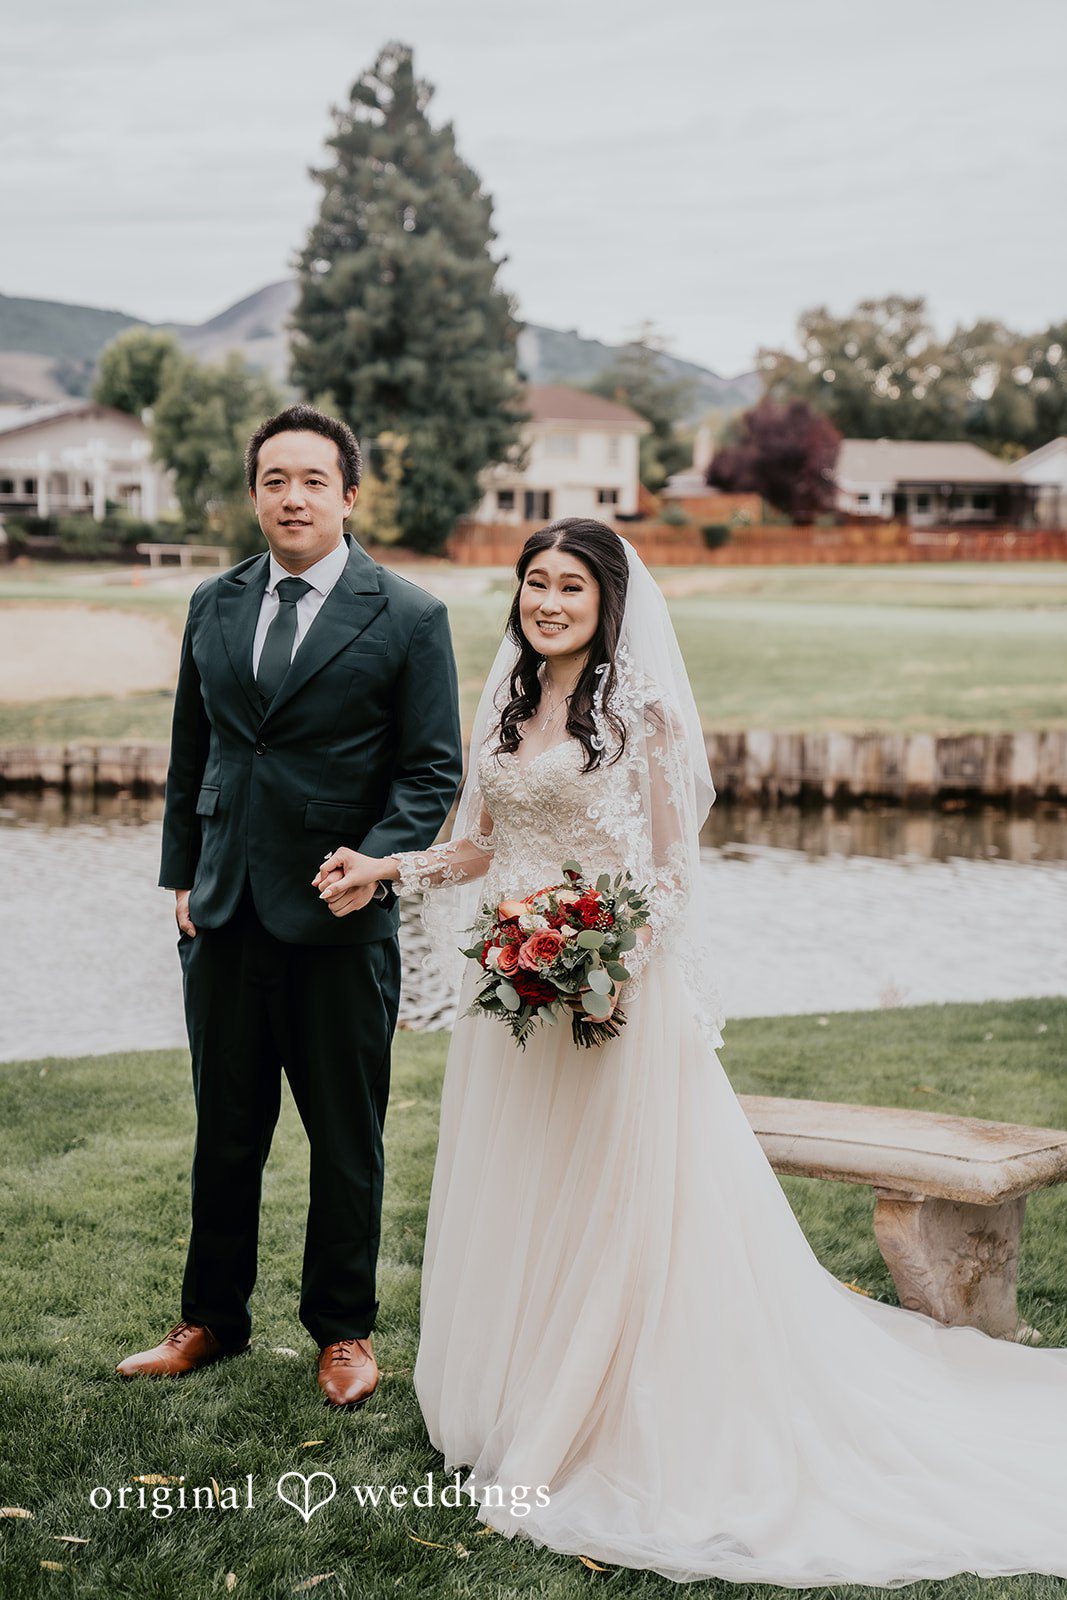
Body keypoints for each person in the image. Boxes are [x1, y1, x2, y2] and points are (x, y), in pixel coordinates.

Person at [313, 517, 1067, 1584]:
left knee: (622, 1200)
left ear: (606, 601)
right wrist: (384, 870)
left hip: (616, 997)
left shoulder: (645, 715)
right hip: (518, 995)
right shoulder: (506, 706)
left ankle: (622, 1399)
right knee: (526, 1188)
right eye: (535, 583)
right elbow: (480, 845)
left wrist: (610, 966)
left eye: (570, 585)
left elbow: (669, 872)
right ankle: (527, 1387)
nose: (548, 602)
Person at [116, 404, 463, 1408]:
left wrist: (380, 860)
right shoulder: (213, 604)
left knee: (342, 1138)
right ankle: (209, 1320)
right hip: (221, 913)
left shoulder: (407, 616)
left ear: (348, 495)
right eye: (274, 478)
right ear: (254, 493)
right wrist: (181, 872)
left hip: (340, 919)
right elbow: (195, 751)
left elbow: (429, 769)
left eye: (312, 479)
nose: (293, 496)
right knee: (224, 1133)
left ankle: (343, 1331)